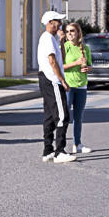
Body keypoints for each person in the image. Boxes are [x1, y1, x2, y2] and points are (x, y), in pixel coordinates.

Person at [37, 10, 75, 163]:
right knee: (62, 115)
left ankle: (48, 151)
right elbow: (52, 61)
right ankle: (60, 151)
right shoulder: (46, 39)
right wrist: (62, 81)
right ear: (50, 22)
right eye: (57, 21)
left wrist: (61, 41)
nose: (60, 24)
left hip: (47, 79)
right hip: (52, 80)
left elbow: (61, 59)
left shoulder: (51, 39)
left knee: (49, 116)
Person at [62, 21, 93, 154]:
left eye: (72, 31)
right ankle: (60, 145)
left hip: (82, 86)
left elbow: (90, 65)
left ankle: (77, 144)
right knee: (65, 116)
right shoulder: (64, 47)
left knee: (78, 117)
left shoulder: (85, 48)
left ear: (78, 32)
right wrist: (76, 63)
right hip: (68, 86)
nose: (69, 34)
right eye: (67, 31)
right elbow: (60, 66)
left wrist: (87, 68)